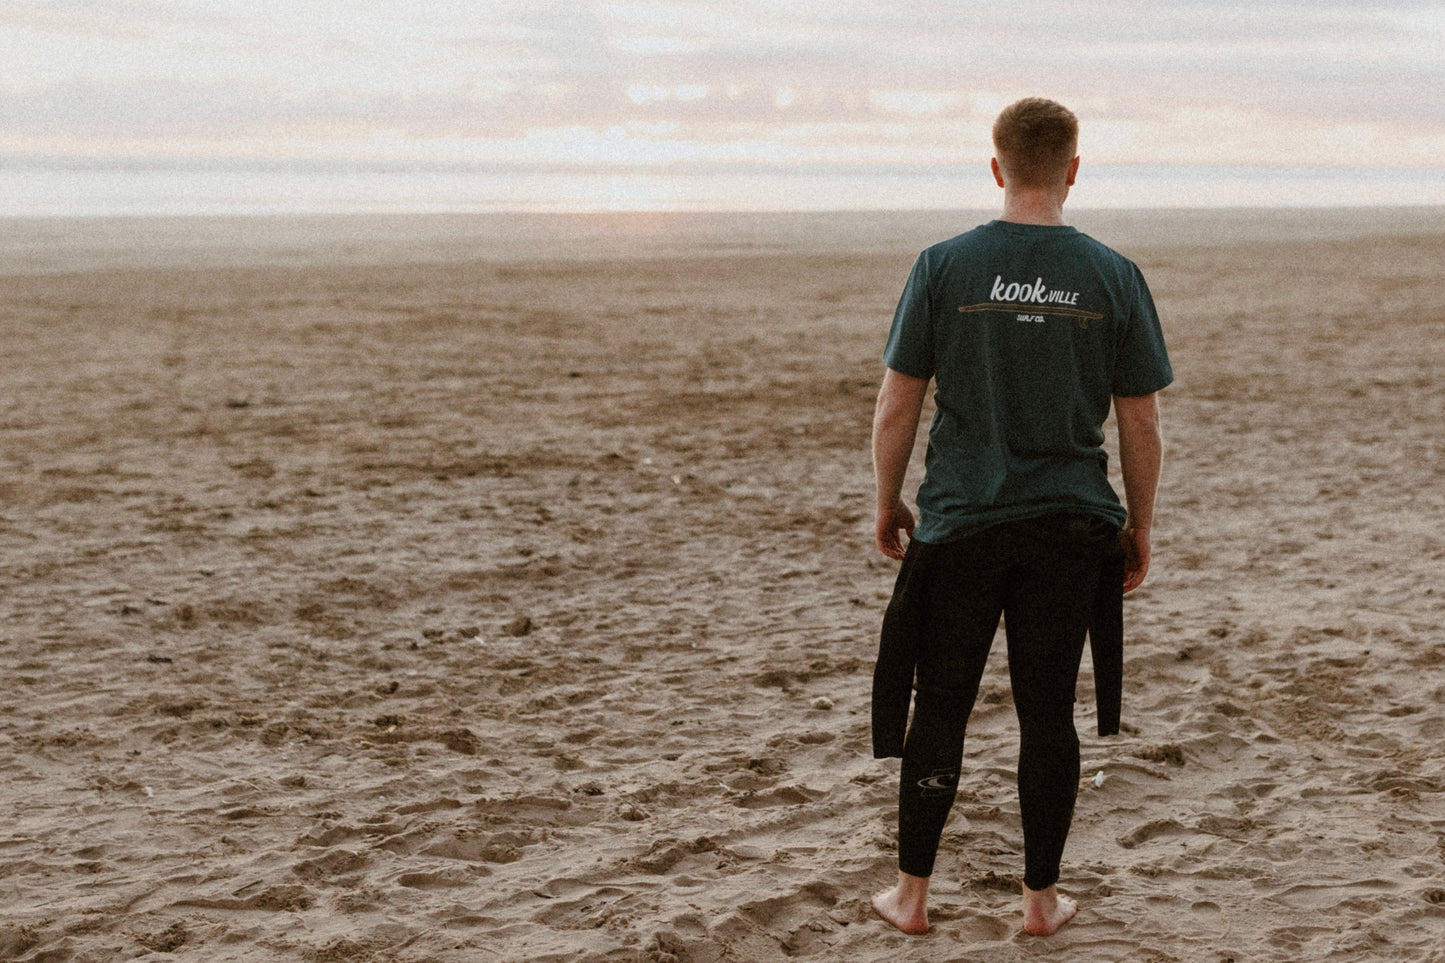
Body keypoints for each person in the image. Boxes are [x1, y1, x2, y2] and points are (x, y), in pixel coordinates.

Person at [867, 97, 1172, 938]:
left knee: (942, 705)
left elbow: (898, 402)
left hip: (961, 520)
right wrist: (1138, 525)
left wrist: (886, 498)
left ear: (996, 167)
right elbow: (1140, 421)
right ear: (1072, 169)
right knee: (1048, 712)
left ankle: (912, 898)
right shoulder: (1114, 273)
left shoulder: (943, 265)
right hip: (1070, 528)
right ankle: (1039, 902)